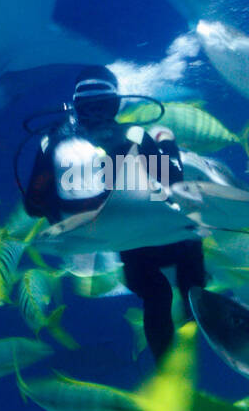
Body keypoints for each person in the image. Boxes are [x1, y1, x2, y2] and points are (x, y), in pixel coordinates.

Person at [24, 66, 205, 363]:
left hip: (102, 242)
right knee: (190, 269)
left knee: (155, 295)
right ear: (116, 103)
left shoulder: (52, 142)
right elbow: (174, 183)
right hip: (150, 231)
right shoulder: (132, 134)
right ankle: (193, 335)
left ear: (76, 104)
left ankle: (166, 369)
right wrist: (166, 141)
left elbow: (32, 207)